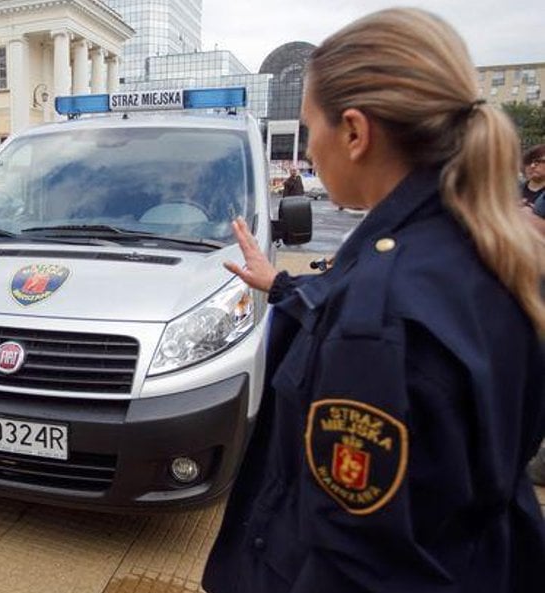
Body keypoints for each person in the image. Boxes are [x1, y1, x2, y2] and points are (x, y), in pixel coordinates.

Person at [203, 8, 545, 593]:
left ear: (356, 132)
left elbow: (358, 564)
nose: (310, 149)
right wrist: (284, 288)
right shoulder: (492, 249)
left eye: (312, 127)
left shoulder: (378, 319)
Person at [520, 144, 545, 236]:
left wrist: (532, 218)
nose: (532, 165)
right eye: (528, 162)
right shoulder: (511, 191)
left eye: (539, 161)